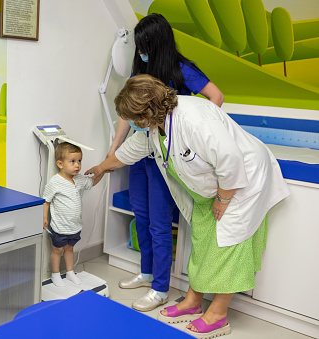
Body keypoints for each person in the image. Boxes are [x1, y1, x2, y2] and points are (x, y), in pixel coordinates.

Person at [86, 74, 289, 338]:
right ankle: (193, 302)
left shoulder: (195, 119)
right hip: (214, 187)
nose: (134, 124)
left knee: (228, 246)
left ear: (148, 110)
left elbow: (231, 161)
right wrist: (101, 168)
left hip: (243, 184)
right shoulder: (155, 126)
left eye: (135, 118)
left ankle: (218, 316)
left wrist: (223, 198)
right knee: (203, 240)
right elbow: (129, 152)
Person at [112, 13, 224, 313]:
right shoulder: (142, 67)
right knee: (143, 217)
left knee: (160, 225)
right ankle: (146, 273)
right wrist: (114, 149)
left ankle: (160, 288)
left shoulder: (181, 70)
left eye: (144, 45)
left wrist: (190, 134)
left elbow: (216, 97)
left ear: (158, 43)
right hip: (140, 155)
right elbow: (127, 114)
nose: (140, 52)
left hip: (166, 159)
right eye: (138, 46)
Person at [43, 142, 102, 287]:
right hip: (59, 226)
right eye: (73, 161)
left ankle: (70, 273)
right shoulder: (55, 182)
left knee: (70, 248)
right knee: (57, 250)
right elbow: (46, 201)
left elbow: (92, 182)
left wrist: (103, 171)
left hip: (75, 225)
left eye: (79, 161)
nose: (77, 165)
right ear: (60, 163)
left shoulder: (80, 179)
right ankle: (55, 274)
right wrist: (44, 218)